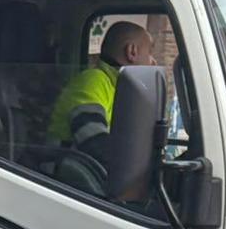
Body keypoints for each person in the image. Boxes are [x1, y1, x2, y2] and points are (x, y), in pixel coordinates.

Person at [50, 20, 152, 153]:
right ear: (131, 51)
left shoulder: (118, 87)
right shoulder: (93, 81)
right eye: (150, 52)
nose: (153, 61)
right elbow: (95, 143)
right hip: (61, 169)